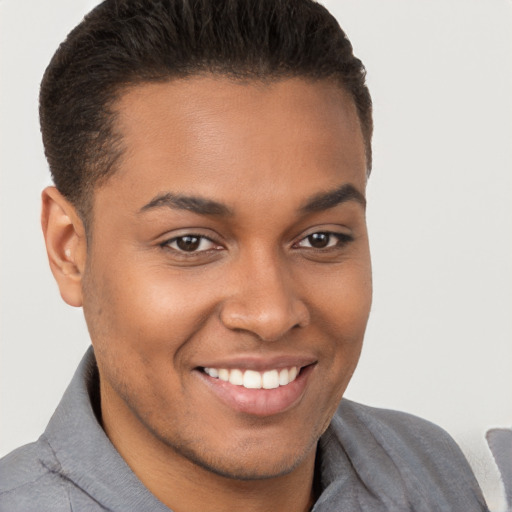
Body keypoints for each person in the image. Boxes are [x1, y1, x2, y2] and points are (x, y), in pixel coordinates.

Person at [0, 1, 490, 511]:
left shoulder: (449, 479)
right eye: (190, 242)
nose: (271, 315)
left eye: (320, 239)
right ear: (69, 250)